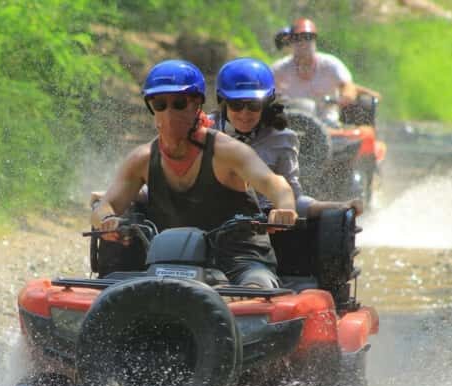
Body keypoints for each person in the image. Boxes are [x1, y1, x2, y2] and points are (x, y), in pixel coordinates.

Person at [90, 59, 297, 289]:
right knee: (115, 285)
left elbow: (277, 184)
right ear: (151, 108)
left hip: (239, 259)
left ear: (196, 104)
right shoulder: (142, 158)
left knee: (257, 287)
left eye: (178, 103)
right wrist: (108, 222)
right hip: (168, 261)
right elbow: (104, 206)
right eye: (160, 104)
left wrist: (285, 208)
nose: (169, 113)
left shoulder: (227, 151)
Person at [210, 57, 363, 216]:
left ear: (266, 103)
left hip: (262, 223)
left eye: (253, 105)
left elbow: (294, 199)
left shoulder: (282, 139)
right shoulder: (204, 130)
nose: (244, 113)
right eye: (236, 105)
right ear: (223, 102)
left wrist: (338, 207)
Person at [271, 18, 357, 122]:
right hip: (291, 124)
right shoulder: (280, 69)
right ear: (291, 42)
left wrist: (345, 97)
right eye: (298, 38)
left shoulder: (330, 64)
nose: (303, 42)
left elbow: (348, 86)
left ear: (315, 40)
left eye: (308, 37)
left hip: (328, 124)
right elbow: (264, 89)